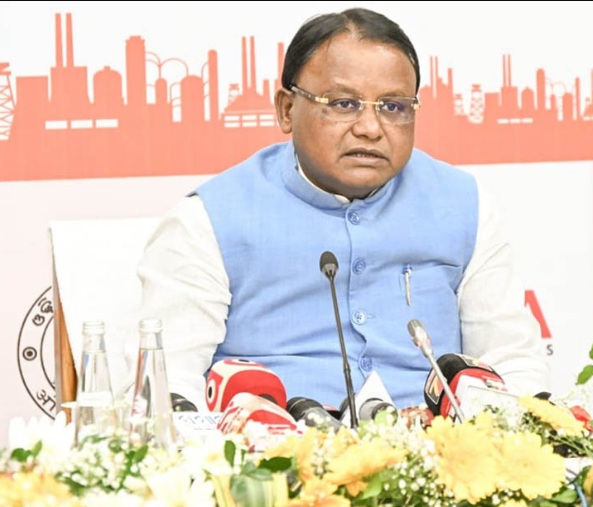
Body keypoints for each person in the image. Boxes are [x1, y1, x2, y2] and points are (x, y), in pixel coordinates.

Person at [132, 7, 550, 413]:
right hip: (275, 448)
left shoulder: (464, 205)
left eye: (393, 107)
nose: (370, 128)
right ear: (287, 109)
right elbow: (164, 387)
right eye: (343, 103)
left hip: (441, 448)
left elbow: (513, 361)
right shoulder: (209, 219)